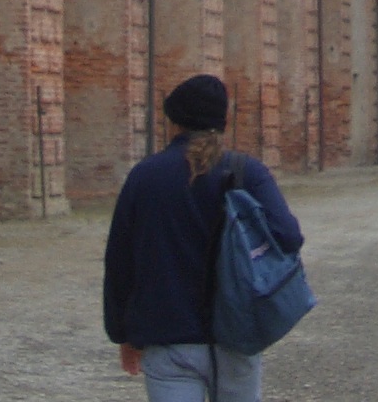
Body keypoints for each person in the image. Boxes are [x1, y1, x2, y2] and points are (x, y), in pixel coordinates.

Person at [103, 74, 304, 402]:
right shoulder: (246, 172)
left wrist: (122, 334)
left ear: (174, 123)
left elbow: (119, 263)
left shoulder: (145, 177)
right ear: (223, 122)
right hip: (237, 334)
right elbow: (289, 237)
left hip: (169, 336)